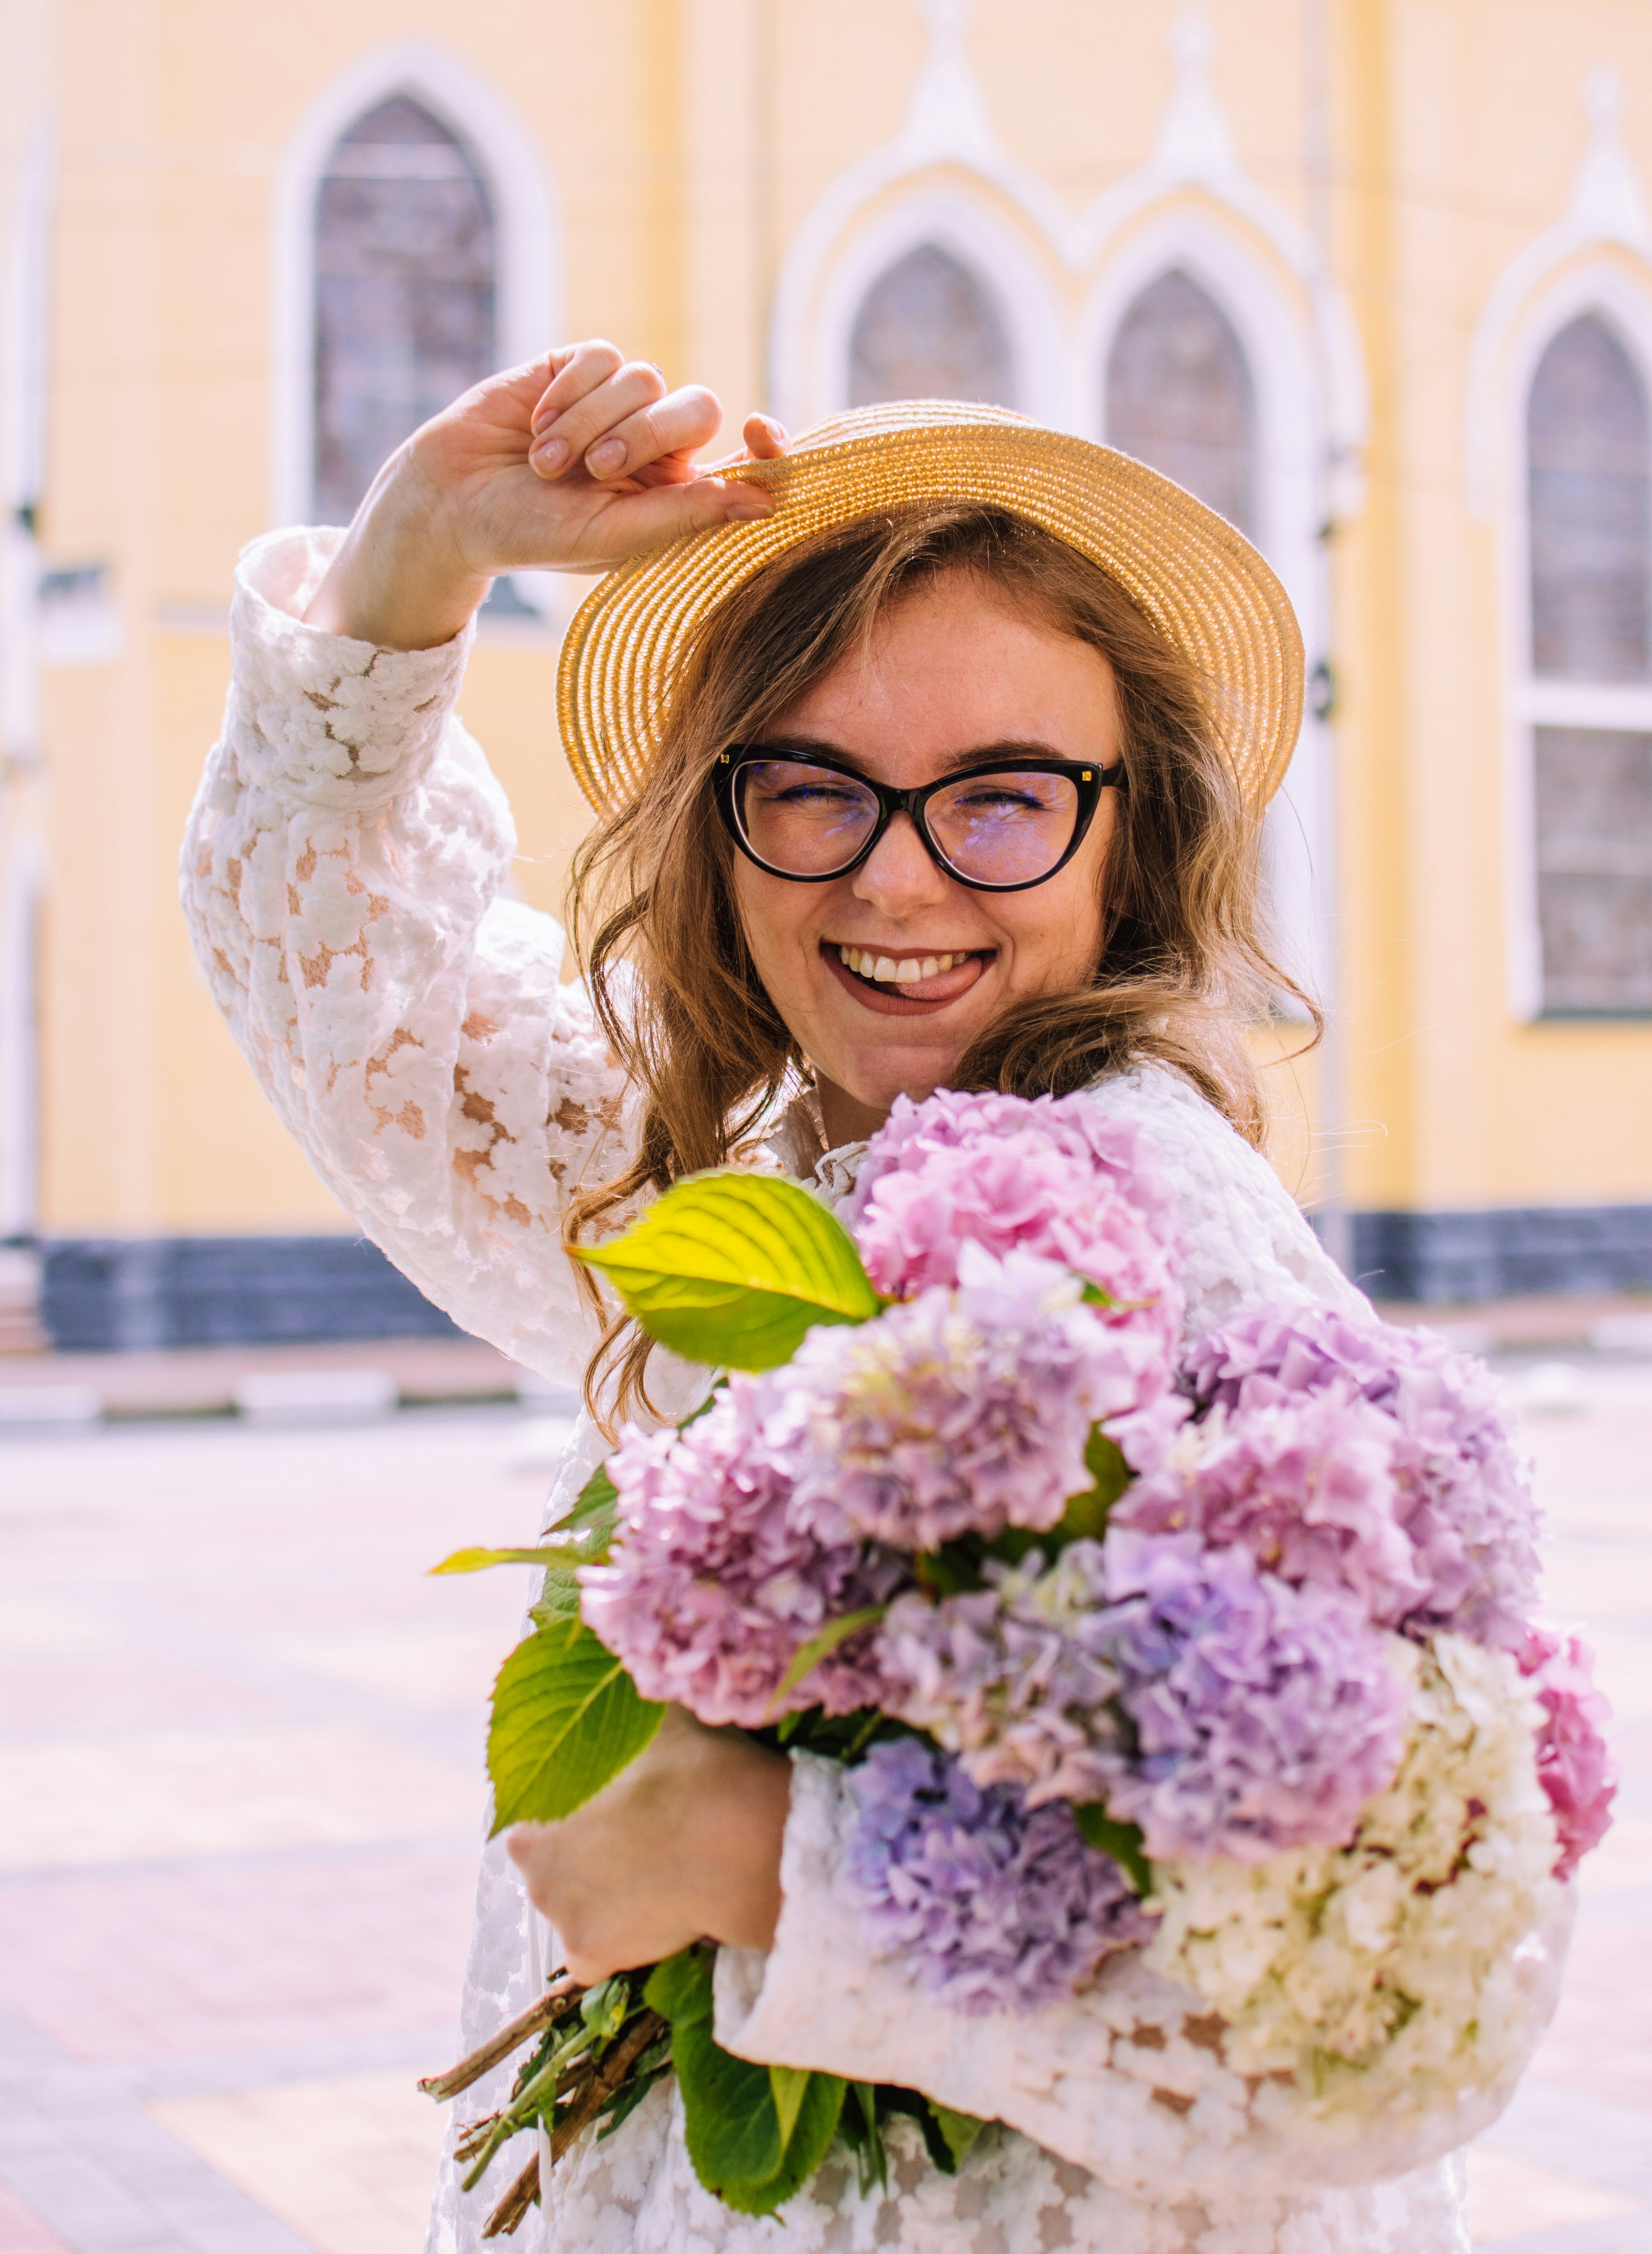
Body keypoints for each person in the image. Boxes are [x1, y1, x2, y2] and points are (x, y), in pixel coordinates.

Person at [181, 345, 1467, 2254]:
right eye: (816, 790)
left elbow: (1394, 2001)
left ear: (1134, 838)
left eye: (1003, 799)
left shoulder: (1156, 1231)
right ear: (724, 819)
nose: (899, 880)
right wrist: (421, 555)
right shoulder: (767, 1168)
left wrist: (787, 1877)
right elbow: (371, 1000)